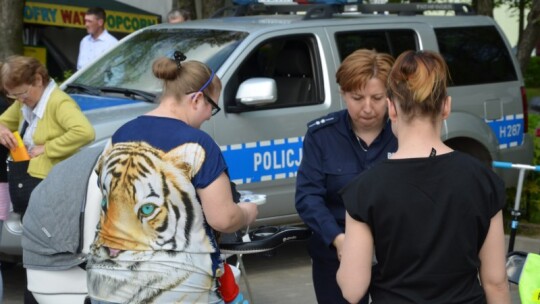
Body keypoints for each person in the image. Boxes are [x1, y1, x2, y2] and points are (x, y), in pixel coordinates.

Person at [337, 50, 511, 304]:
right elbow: (496, 282)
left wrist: (345, 256)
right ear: (446, 107)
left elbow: (352, 290)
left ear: (391, 109)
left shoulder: (365, 189)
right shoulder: (482, 180)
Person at [85, 51, 258, 304]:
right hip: (174, 288)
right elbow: (223, 218)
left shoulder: (120, 135)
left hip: (105, 284)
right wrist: (247, 212)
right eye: (213, 107)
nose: (210, 115)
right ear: (197, 99)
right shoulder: (198, 144)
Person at [295, 49, 397, 304]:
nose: (367, 108)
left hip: (394, 253)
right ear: (343, 94)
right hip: (336, 250)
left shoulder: (405, 134)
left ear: (391, 96)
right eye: (357, 98)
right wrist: (338, 241)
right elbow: (308, 197)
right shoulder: (321, 136)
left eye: (377, 98)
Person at [0, 55, 95, 304]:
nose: (20, 100)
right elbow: (4, 121)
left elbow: (85, 132)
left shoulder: (58, 102)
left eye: (22, 94)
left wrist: (48, 148)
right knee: (34, 256)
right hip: (32, 185)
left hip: (49, 188)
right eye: (14, 97)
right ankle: (34, 295)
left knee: (45, 255)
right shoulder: (26, 103)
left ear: (38, 80)